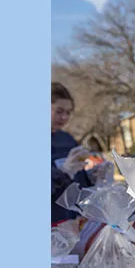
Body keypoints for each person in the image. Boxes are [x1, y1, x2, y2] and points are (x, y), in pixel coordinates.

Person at [50, 82, 111, 225]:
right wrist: (62, 172)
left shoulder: (67, 139)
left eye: (68, 112)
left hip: (71, 222)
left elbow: (77, 182)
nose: (64, 117)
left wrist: (93, 176)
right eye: (59, 111)